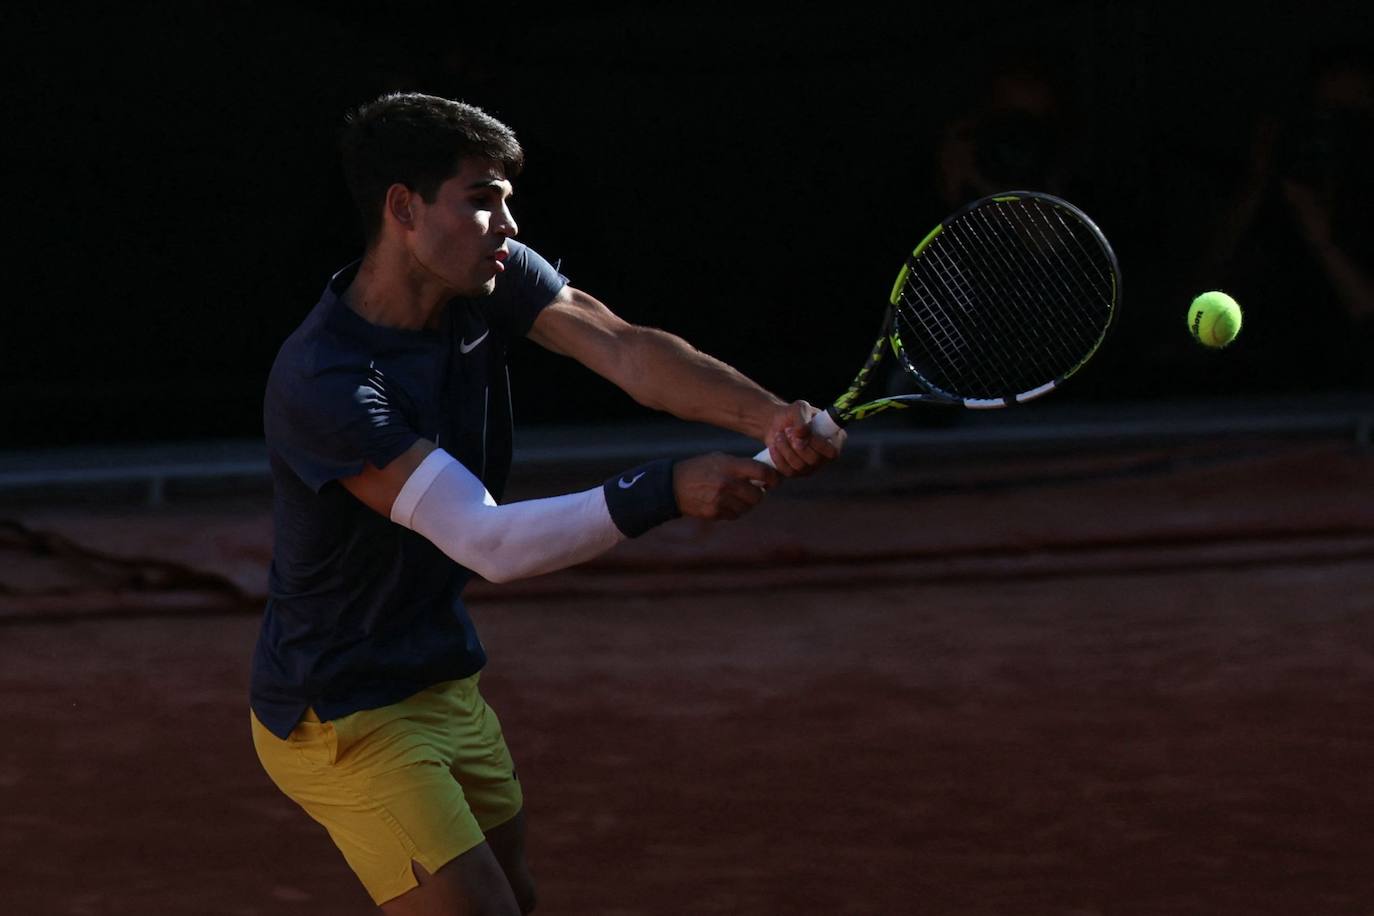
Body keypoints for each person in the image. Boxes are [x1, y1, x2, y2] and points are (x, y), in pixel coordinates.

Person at [248, 91, 842, 915]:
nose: (509, 224)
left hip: (439, 675)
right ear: (403, 210)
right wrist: (664, 489)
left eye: (508, 199)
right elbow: (488, 542)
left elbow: (627, 350)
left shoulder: (487, 279)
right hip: (344, 711)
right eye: (483, 199)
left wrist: (770, 417)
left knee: (515, 898)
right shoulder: (330, 381)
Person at [1199, 49, 1374, 391]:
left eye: (1350, 117)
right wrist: (1258, 183)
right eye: (1322, 116)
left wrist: (1324, 243)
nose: (1332, 133)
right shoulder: (1267, 196)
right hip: (1263, 396)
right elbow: (1193, 295)